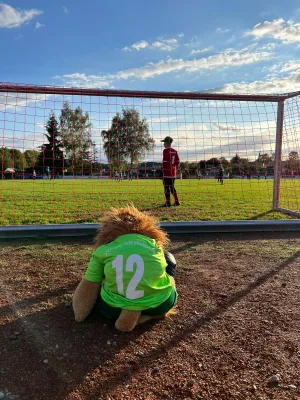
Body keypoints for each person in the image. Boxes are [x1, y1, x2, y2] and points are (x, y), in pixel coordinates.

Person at [72, 205, 178, 331]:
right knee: (168, 262)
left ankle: (126, 317)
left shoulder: (103, 250)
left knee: (98, 282)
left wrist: (80, 313)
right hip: (159, 305)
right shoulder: (154, 246)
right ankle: (146, 315)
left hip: (113, 309)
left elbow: (88, 285)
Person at [161, 136, 181, 207]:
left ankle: (168, 202)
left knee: (166, 187)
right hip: (173, 172)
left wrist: (162, 170)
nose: (163, 144)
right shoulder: (175, 151)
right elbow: (178, 162)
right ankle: (177, 201)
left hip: (166, 172)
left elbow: (165, 161)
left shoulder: (165, 151)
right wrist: (173, 166)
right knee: (172, 187)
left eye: (164, 142)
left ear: (167, 143)